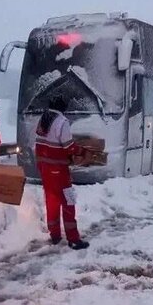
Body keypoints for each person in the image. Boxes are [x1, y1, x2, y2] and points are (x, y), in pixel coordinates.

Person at [35, 96, 89, 250]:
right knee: (68, 202)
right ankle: (73, 238)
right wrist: (82, 151)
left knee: (51, 201)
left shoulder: (43, 119)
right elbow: (69, 146)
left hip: (45, 168)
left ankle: (55, 235)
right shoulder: (62, 122)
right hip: (59, 170)